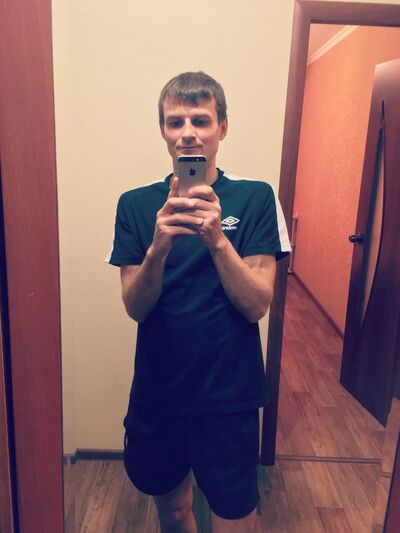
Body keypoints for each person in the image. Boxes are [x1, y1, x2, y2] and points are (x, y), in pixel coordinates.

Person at [107, 71, 290, 533]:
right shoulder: (135, 205)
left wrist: (217, 240)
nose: (187, 132)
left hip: (229, 396)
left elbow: (257, 304)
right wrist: (158, 248)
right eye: (176, 121)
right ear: (163, 131)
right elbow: (135, 307)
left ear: (222, 128)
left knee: (234, 516)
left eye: (201, 120)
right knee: (172, 511)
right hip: (159, 393)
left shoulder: (255, 197)